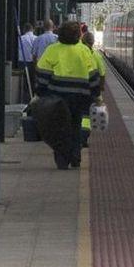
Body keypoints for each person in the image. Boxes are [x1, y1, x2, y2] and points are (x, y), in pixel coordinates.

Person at [34, 21, 101, 169]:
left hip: (57, 98)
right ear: (78, 35)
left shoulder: (52, 50)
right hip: (80, 98)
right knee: (76, 126)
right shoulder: (84, 51)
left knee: (59, 128)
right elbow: (93, 75)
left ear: (60, 34)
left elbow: (42, 73)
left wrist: (40, 91)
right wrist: (95, 94)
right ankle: (76, 156)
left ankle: (62, 159)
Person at [79, 31, 107, 147]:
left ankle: (77, 136)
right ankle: (83, 138)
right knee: (87, 115)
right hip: (91, 88)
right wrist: (100, 89)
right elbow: (102, 73)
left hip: (77, 87)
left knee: (77, 113)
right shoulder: (96, 55)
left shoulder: (77, 51)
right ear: (93, 42)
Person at [17, 23, 37, 102]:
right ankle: (33, 98)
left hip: (22, 62)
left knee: (23, 82)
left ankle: (25, 99)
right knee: (33, 81)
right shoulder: (36, 38)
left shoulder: (20, 38)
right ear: (33, 30)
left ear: (24, 30)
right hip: (33, 63)